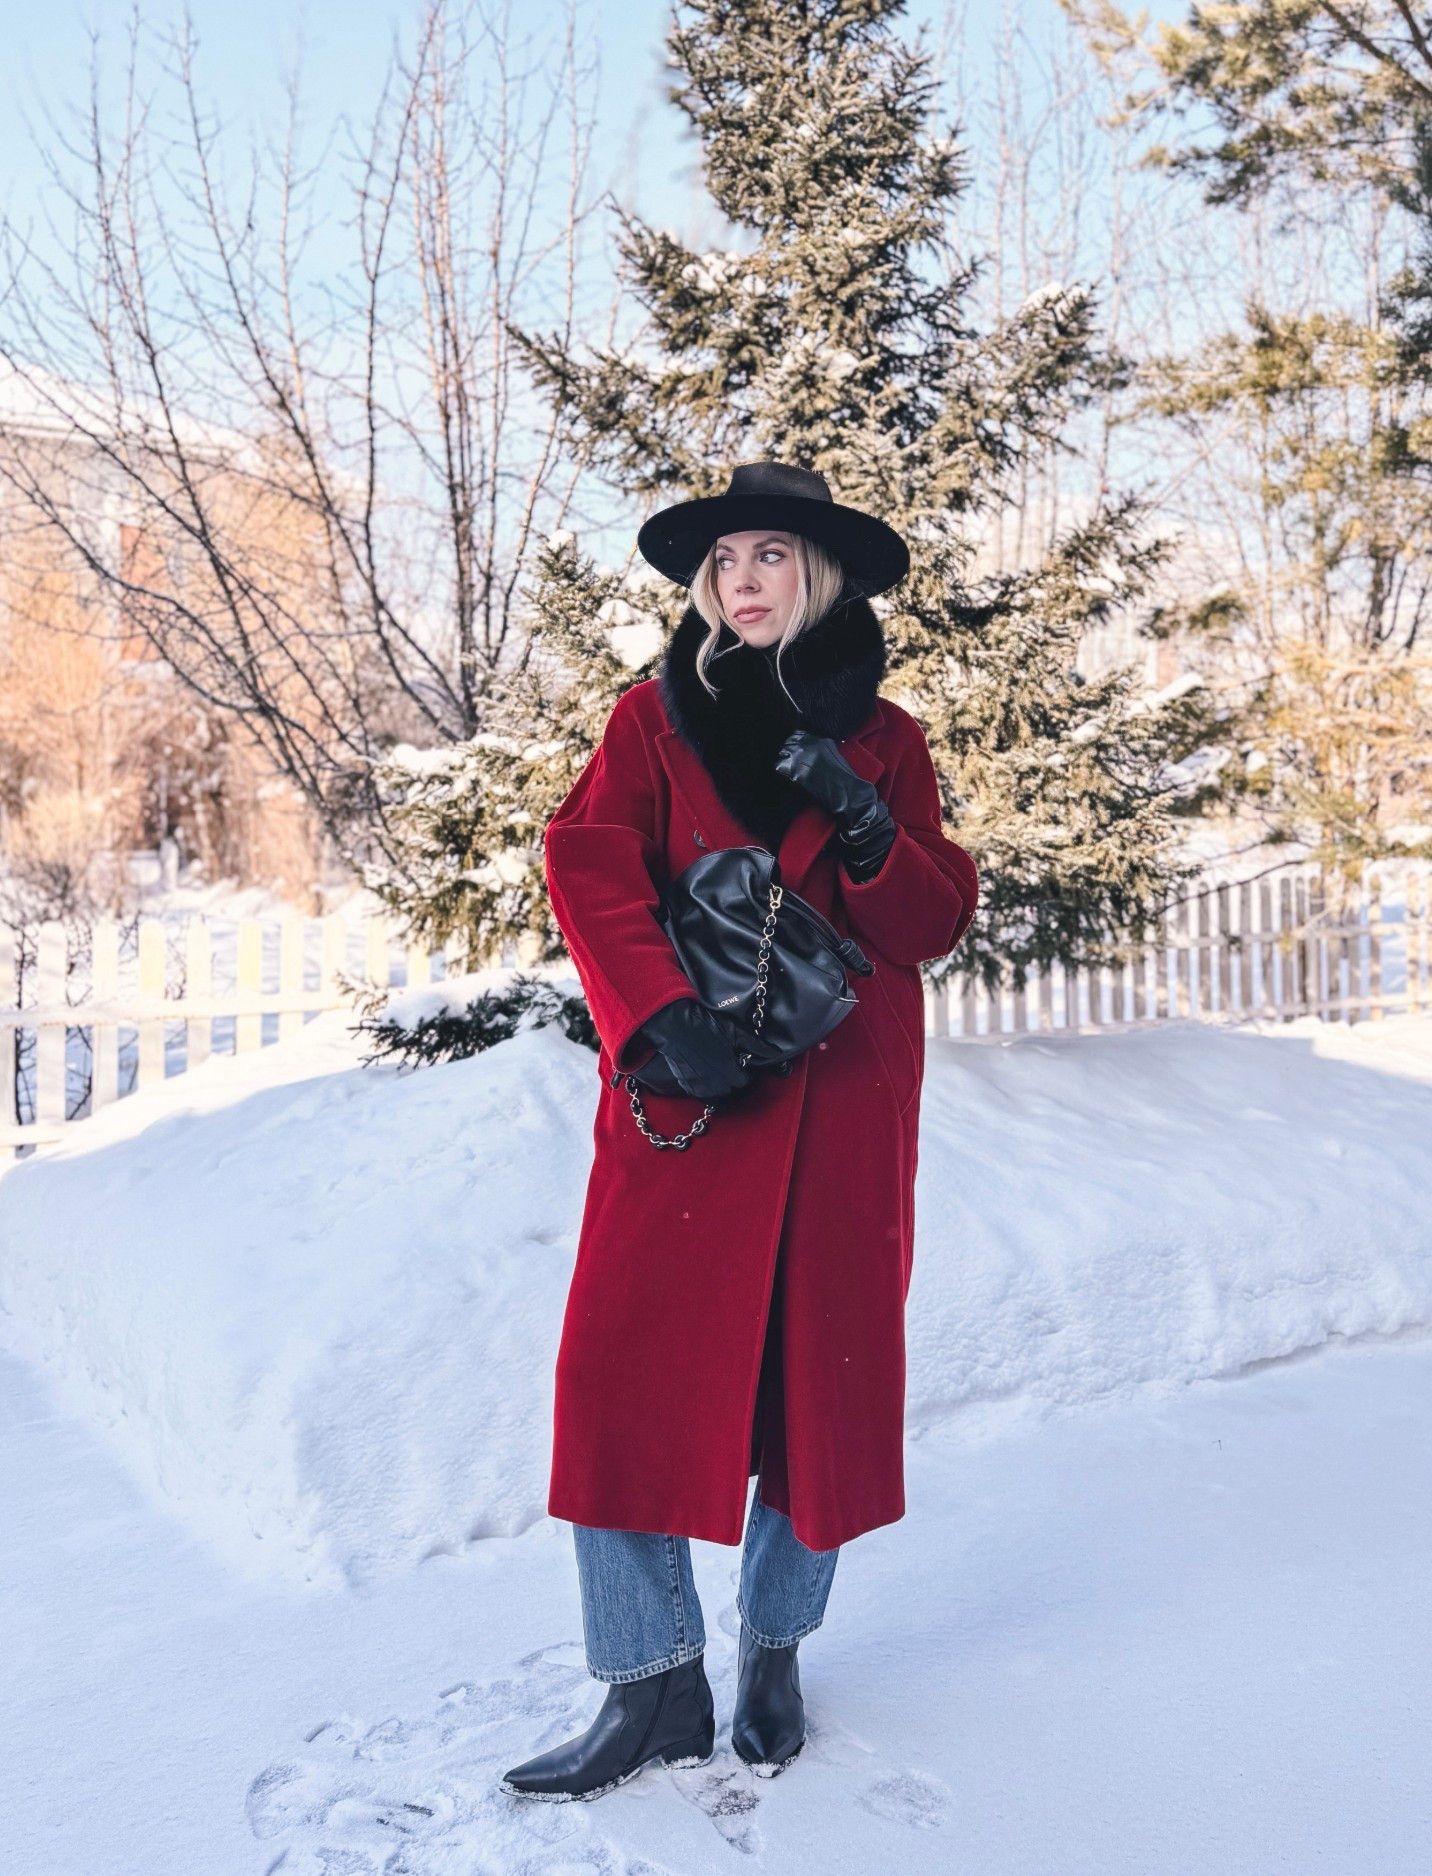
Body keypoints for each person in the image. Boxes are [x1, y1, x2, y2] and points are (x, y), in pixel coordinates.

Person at [502, 461, 978, 1802]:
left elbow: (931, 926)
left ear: (815, 576)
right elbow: (588, 861)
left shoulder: (887, 739)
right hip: (688, 1103)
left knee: (815, 1400)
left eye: (770, 556)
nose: (743, 580)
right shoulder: (651, 722)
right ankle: (649, 1685)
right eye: (726, 562)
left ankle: (773, 1655)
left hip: (839, 1112)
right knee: (619, 1382)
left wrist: (870, 820)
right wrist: (654, 1018)